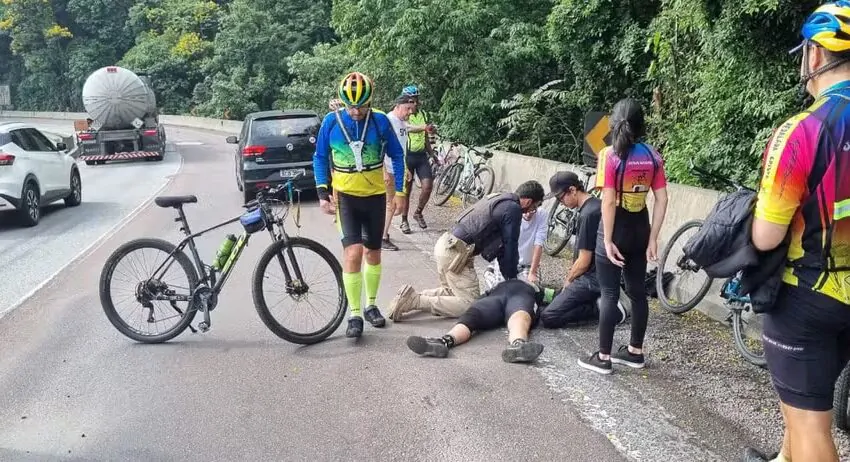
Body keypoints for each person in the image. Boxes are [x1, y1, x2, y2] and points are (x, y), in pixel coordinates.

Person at [742, 3, 850, 461]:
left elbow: (766, 237)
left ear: (816, 56)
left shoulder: (803, 130)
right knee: (797, 413)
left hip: (810, 293)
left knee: (809, 426)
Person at [577, 98, 668, 375]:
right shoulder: (653, 155)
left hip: (614, 229)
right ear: (641, 126)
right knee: (638, 292)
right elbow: (662, 199)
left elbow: (607, 201)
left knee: (609, 292)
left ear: (614, 124)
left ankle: (603, 357)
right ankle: (635, 352)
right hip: (640, 228)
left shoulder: (608, 155)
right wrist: (653, 238)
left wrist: (606, 240)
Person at [313, 71, 407, 338]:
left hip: (375, 196)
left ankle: (371, 305)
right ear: (343, 102)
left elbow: (397, 156)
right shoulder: (332, 122)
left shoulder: (379, 121)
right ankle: (354, 314)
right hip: (346, 198)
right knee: (353, 252)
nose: (356, 111)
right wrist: (322, 193)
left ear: (370, 101)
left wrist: (399, 192)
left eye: (361, 105)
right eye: (351, 106)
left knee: (373, 253)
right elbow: (320, 157)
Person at [387, 181, 546, 321]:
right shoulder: (513, 209)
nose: (531, 211)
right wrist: (512, 281)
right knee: (468, 303)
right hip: (455, 254)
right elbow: (510, 246)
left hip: (445, 245)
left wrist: (509, 278)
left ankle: (409, 296)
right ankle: (414, 301)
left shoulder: (500, 198)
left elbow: (502, 249)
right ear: (528, 200)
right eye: (534, 207)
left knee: (451, 292)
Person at [537, 171, 628, 328]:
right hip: (603, 274)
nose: (561, 202)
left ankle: (605, 309)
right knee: (556, 298)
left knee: (548, 316)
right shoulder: (597, 205)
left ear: (573, 190)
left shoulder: (587, 214)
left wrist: (569, 280)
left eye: (560, 198)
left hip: (592, 278)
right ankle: (603, 301)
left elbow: (584, 261)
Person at [405, 278, 546, 363]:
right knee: (475, 315)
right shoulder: (533, 286)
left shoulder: (537, 289)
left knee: (476, 316)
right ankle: (518, 344)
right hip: (504, 297)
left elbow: (555, 299)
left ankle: (444, 341)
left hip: (504, 297)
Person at [481, 183, 547, 290]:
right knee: (501, 290)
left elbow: (538, 244)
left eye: (534, 209)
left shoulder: (542, 215)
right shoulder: (512, 212)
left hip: (526, 265)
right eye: (529, 208)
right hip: (506, 261)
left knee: (526, 291)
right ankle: (493, 272)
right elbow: (506, 244)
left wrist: (533, 272)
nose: (529, 213)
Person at [380, 96, 417, 251]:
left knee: (393, 205)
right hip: (388, 170)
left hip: (398, 169)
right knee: (390, 204)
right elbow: (380, 146)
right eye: (407, 109)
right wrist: (383, 171)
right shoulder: (388, 121)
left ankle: (382, 232)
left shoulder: (401, 122)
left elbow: (401, 149)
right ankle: (382, 237)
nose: (409, 113)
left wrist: (406, 167)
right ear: (398, 105)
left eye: (412, 110)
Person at [398, 85, 436, 233]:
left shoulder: (423, 114)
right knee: (406, 191)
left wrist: (432, 154)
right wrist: (423, 127)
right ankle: (404, 220)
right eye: (410, 100)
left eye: (415, 99)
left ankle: (418, 212)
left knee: (427, 187)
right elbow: (407, 127)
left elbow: (426, 136)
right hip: (407, 155)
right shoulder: (403, 114)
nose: (414, 102)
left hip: (421, 155)